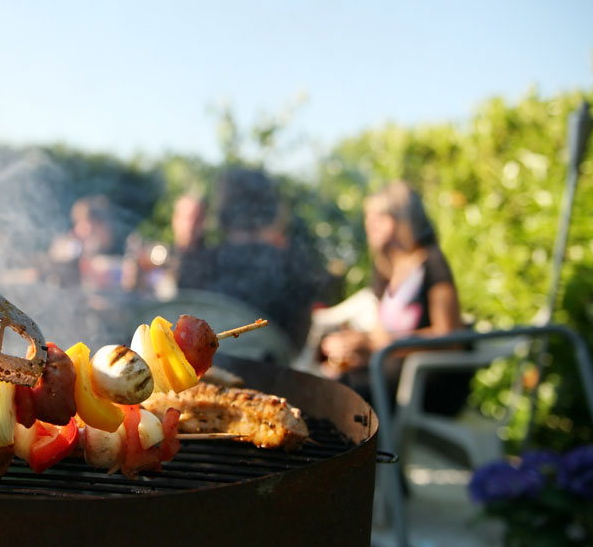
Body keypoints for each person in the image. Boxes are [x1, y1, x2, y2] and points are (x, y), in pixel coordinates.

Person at [318, 181, 467, 411]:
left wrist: (377, 344)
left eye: (380, 217)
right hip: (391, 369)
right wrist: (355, 348)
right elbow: (379, 334)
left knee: (345, 394)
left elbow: (449, 338)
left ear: (404, 219)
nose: (370, 224)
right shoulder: (385, 269)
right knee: (328, 378)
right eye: (368, 217)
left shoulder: (432, 262)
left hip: (428, 380)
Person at [177, 168, 323, 352]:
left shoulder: (195, 264)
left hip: (199, 375)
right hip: (271, 377)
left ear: (223, 210)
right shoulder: (294, 268)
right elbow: (296, 345)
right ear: (271, 209)